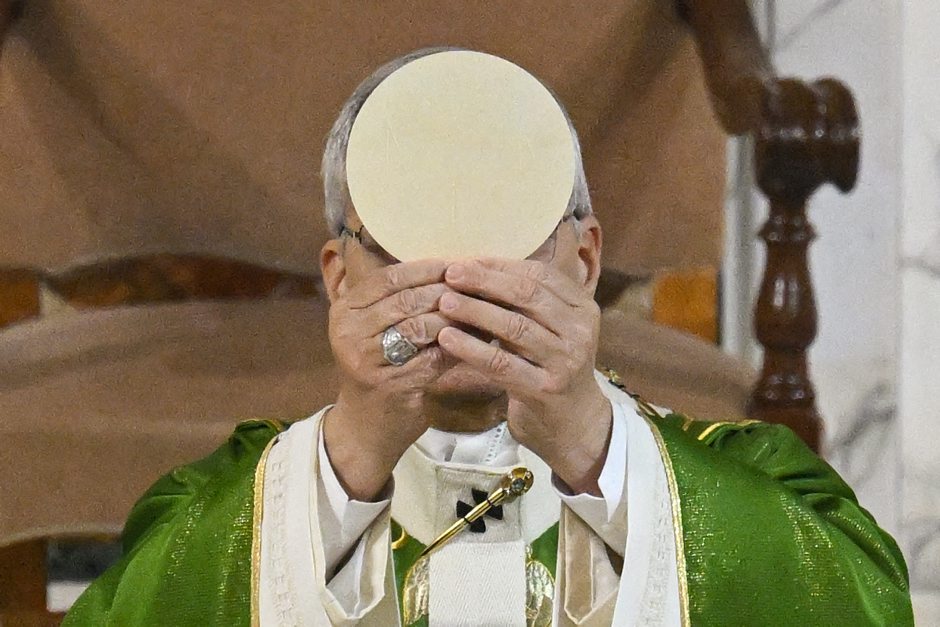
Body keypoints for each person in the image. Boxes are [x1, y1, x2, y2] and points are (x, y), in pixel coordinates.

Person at [63, 49, 913, 627]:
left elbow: (867, 606)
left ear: (585, 261)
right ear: (339, 277)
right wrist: (350, 455)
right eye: (402, 246)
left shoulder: (752, 477)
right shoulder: (224, 501)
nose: (457, 280)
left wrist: (590, 444)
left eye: (507, 241)